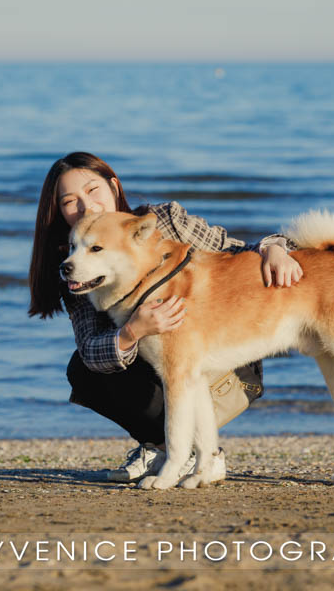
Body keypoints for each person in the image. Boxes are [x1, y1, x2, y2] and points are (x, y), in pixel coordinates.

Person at [28, 152, 302, 483]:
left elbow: (235, 251)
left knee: (172, 363)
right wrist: (132, 330)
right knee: (86, 370)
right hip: (168, 377)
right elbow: (90, 352)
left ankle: (186, 453)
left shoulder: (165, 220)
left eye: (92, 190)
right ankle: (170, 448)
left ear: (113, 186)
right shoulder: (78, 265)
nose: (86, 206)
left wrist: (275, 247)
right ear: (59, 212)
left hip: (231, 364)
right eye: (69, 201)